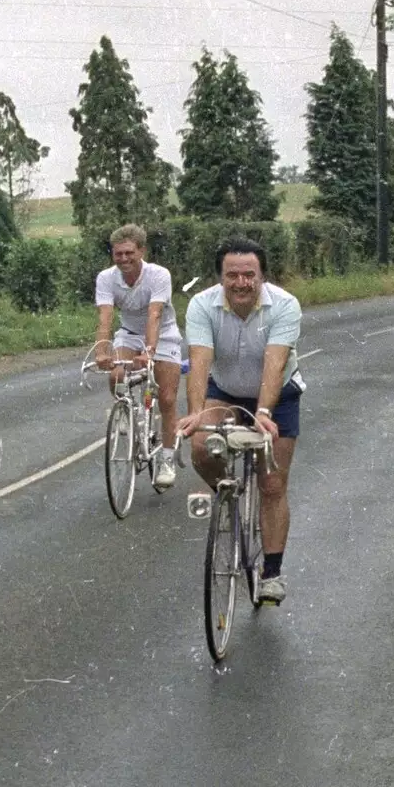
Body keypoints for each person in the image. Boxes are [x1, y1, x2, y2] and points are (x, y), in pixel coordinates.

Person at [176, 237, 303, 606]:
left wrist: (263, 413)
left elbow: (275, 363)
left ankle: (272, 573)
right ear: (221, 277)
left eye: (250, 275)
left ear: (262, 276)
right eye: (232, 275)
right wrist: (196, 412)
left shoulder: (285, 305)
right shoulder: (202, 305)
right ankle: (229, 498)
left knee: (272, 483)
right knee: (201, 447)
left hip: (276, 394)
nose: (241, 283)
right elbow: (199, 362)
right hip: (226, 389)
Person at [93, 223, 182, 488]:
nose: (123, 259)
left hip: (163, 335)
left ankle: (166, 459)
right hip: (130, 333)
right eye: (118, 254)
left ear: (141, 251)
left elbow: (155, 314)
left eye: (129, 253)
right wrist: (101, 351)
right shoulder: (107, 278)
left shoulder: (159, 275)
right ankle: (126, 412)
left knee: (166, 398)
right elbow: (106, 317)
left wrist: (150, 351)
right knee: (116, 375)